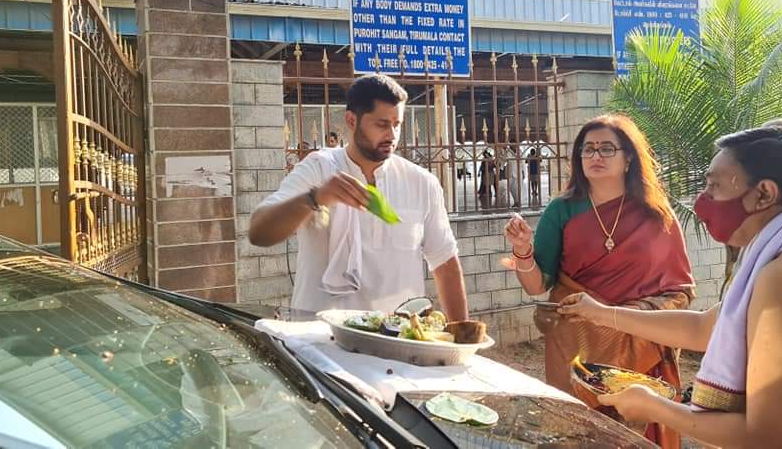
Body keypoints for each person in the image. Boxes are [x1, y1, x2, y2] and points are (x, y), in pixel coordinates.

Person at [559, 124, 782, 448]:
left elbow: (773, 439)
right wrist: (601, 314)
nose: (703, 200)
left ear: (764, 194)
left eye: (714, 186)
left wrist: (655, 407)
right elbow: (702, 327)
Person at [501, 114, 695, 449]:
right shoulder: (562, 209)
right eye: (587, 149)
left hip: (642, 344)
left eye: (606, 148)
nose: (595, 156)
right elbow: (536, 286)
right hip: (575, 344)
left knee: (636, 432)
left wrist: (625, 318)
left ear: (629, 157)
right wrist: (522, 252)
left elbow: (680, 290)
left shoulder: (655, 212)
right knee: (576, 432)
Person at [249, 74, 468, 321]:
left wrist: (462, 339)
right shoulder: (319, 169)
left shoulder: (420, 182)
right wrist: (316, 198)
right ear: (351, 120)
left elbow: (445, 263)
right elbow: (258, 232)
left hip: (398, 339)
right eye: (382, 124)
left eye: (397, 124)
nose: (392, 135)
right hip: (321, 341)